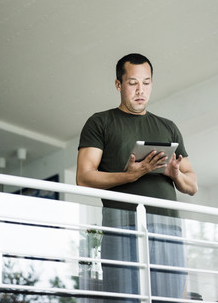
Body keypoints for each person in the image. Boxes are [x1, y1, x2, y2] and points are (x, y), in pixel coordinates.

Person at [76, 53, 198, 301]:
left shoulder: (168, 127)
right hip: (122, 229)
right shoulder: (100, 122)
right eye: (132, 83)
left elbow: (192, 184)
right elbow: (84, 177)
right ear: (118, 85)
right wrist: (129, 176)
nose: (140, 90)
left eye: (147, 82)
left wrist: (176, 175)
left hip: (168, 231)